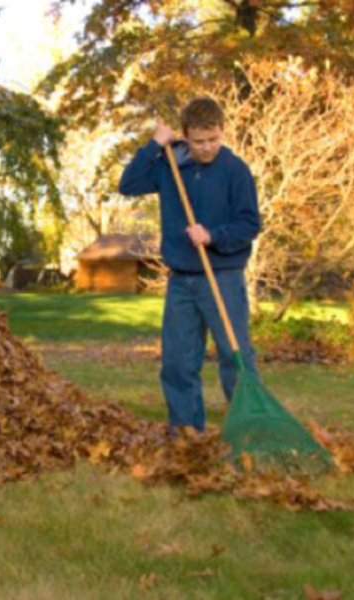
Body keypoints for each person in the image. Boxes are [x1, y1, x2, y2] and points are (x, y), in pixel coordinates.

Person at [118, 97, 260, 434]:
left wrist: (213, 235)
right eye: (199, 142)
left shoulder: (235, 170)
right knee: (178, 362)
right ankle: (185, 430)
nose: (207, 147)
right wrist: (154, 145)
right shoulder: (170, 164)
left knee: (233, 357)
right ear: (185, 136)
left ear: (222, 132)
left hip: (222, 277)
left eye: (214, 139)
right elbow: (128, 185)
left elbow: (249, 224)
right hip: (181, 279)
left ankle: (249, 427)